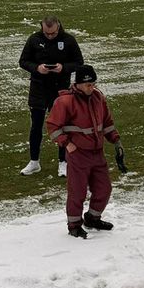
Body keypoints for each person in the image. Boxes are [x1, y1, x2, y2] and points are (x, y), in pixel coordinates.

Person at [46, 64, 122, 238]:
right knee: (77, 191)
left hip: (97, 152)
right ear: (78, 84)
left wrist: (116, 141)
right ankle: (74, 225)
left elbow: (107, 122)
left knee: (104, 188)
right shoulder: (64, 101)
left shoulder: (98, 97)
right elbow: (53, 127)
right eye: (88, 85)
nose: (92, 87)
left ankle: (93, 218)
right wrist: (67, 144)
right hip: (78, 154)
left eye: (93, 84)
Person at [18, 16, 84, 176]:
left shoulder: (68, 40)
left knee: (62, 126)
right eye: (47, 33)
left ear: (58, 26)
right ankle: (34, 162)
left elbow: (79, 62)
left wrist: (63, 68)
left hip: (60, 89)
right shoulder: (34, 39)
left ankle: (63, 162)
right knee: (36, 126)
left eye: (53, 33)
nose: (50, 36)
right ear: (42, 28)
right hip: (38, 88)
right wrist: (37, 68)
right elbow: (23, 61)